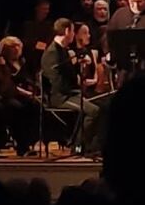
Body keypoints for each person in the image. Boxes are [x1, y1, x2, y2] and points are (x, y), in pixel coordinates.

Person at [41, 18, 102, 154]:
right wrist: (76, 90)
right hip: (60, 97)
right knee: (94, 111)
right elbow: (56, 82)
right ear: (67, 31)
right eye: (73, 31)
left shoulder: (62, 50)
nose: (74, 35)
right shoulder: (53, 52)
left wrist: (79, 65)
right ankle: (78, 146)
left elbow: (68, 73)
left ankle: (92, 146)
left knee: (102, 105)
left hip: (70, 93)